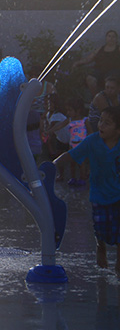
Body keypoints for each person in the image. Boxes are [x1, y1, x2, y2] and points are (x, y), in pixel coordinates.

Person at [54, 106, 120, 276]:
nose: (101, 126)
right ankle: (100, 247)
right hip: (99, 193)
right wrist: (52, 165)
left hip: (118, 194)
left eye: (107, 123)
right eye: (100, 121)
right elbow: (71, 154)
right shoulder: (92, 141)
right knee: (101, 228)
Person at [72, 30, 120, 97]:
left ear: (116, 39)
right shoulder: (101, 49)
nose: (111, 38)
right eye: (109, 36)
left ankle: (111, 101)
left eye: (113, 37)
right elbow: (88, 59)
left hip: (113, 72)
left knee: (109, 81)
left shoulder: (118, 49)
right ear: (106, 38)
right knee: (90, 79)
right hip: (99, 71)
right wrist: (77, 63)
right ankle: (97, 99)